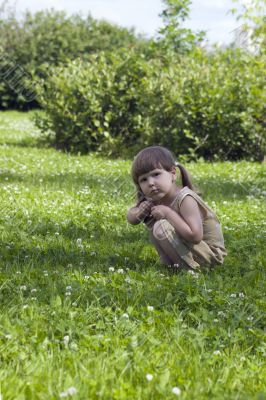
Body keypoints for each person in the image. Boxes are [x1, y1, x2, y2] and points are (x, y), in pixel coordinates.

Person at [126, 146, 227, 270]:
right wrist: (139, 212)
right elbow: (131, 219)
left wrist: (168, 214)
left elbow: (195, 236)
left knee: (160, 226)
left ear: (173, 174)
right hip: (194, 252)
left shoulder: (185, 199)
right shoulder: (155, 198)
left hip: (210, 254)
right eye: (144, 179)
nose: (150, 183)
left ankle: (187, 269)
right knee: (155, 225)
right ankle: (171, 266)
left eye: (156, 174)